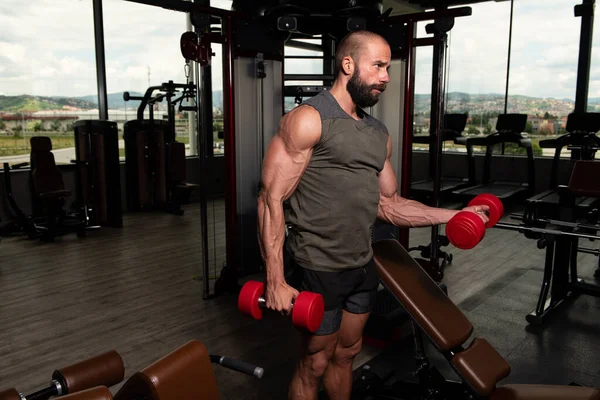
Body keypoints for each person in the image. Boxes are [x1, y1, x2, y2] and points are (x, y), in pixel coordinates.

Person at [257, 30, 489, 400]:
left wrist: (455, 215)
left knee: (347, 354)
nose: (386, 76)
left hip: (362, 263)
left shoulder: (377, 133)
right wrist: (275, 279)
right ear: (348, 65)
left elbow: (390, 204)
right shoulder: (308, 120)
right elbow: (271, 199)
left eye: (388, 67)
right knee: (315, 361)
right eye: (378, 66)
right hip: (320, 265)